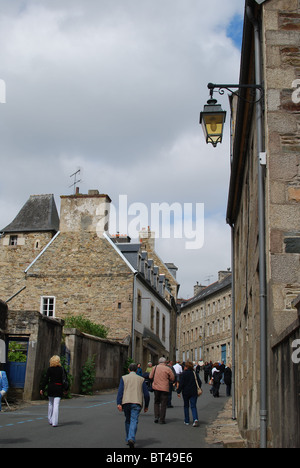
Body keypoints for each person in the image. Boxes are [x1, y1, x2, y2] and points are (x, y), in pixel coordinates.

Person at [117, 363, 150, 448]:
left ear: (128, 370)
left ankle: (128, 438)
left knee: (128, 420)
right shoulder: (141, 379)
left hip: (126, 402)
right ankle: (131, 437)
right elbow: (146, 394)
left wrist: (119, 403)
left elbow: (120, 391)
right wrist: (146, 405)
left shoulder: (124, 378)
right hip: (137, 402)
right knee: (134, 420)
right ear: (136, 370)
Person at [40, 355, 65, 427]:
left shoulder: (49, 369)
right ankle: (55, 422)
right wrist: (65, 389)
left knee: (50, 403)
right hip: (58, 387)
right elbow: (64, 379)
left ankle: (50, 419)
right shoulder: (61, 369)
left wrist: (42, 388)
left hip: (51, 387)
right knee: (56, 405)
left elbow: (46, 379)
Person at [149, 357, 175, 424]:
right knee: (163, 403)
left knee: (156, 402)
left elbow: (150, 377)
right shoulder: (167, 369)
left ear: (159, 362)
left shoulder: (154, 368)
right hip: (164, 388)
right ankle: (162, 419)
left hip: (156, 387)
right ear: (165, 362)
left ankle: (156, 416)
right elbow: (172, 378)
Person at [177, 361, 202, 427]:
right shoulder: (194, 373)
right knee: (193, 406)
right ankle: (195, 419)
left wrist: (178, 391)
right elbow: (199, 382)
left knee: (186, 406)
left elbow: (181, 384)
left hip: (186, 392)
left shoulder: (183, 374)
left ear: (186, 367)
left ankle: (187, 420)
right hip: (194, 392)